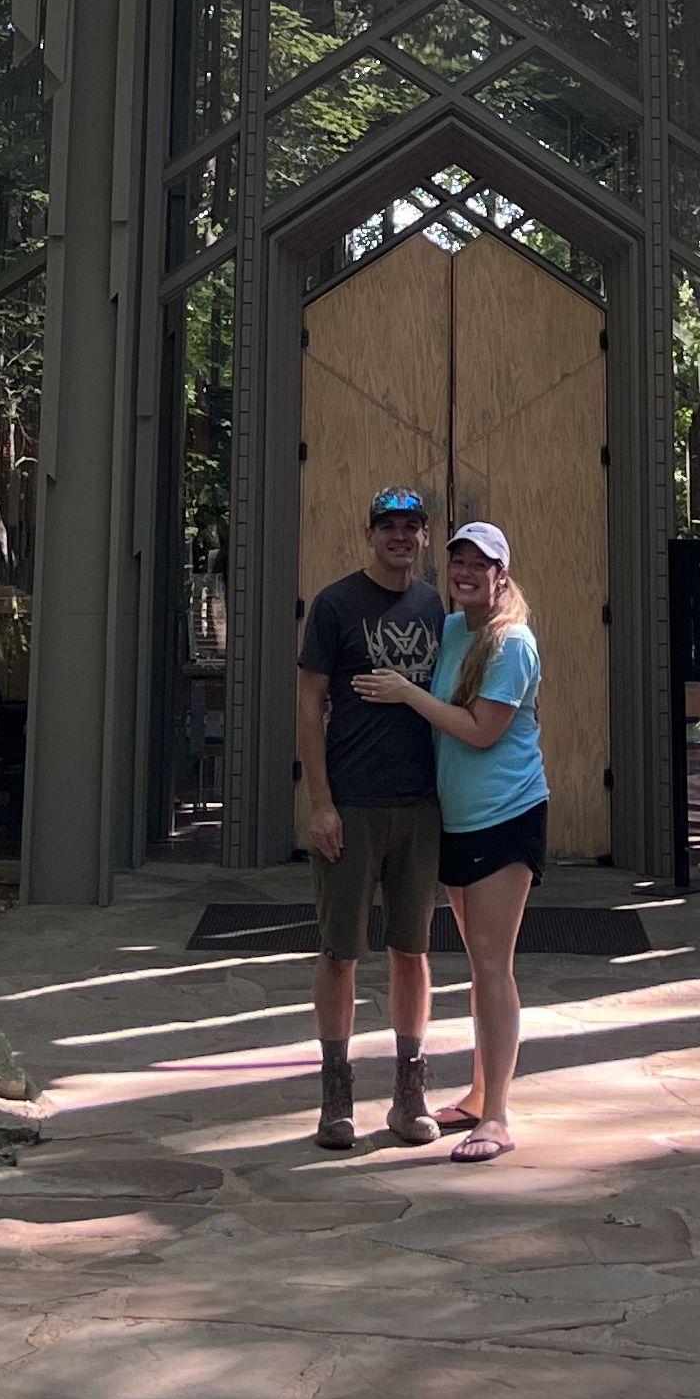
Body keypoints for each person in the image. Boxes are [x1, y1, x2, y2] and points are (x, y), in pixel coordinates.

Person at [359, 517, 542, 1165]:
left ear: (501, 574)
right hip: (457, 819)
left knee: (494, 966)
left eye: (480, 564)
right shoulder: (452, 628)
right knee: (477, 965)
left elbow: (479, 730)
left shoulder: (511, 643)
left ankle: (497, 1117)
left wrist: (406, 693)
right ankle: (478, 1092)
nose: (465, 572)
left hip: (505, 819)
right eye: (458, 561)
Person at [294, 484, 446, 1151]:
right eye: (388, 526)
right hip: (351, 803)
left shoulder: (435, 605)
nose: (400, 537)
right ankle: (336, 1096)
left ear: (422, 538)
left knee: (412, 950)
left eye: (411, 527)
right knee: (340, 950)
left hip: (418, 803)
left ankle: (408, 1093)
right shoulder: (334, 605)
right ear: (370, 534)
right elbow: (309, 703)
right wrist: (320, 801)